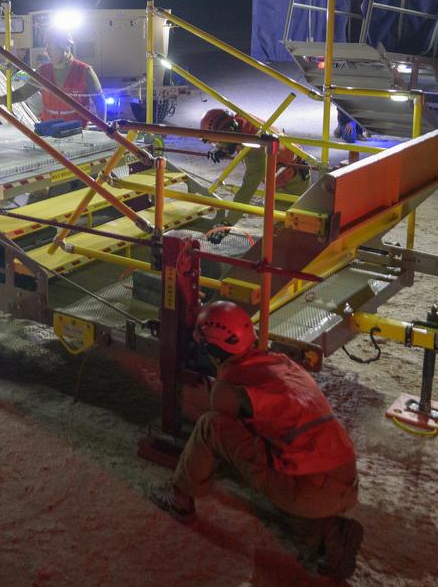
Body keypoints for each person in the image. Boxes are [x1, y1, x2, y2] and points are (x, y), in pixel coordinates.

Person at [148, 301, 363, 580]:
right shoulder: (281, 362)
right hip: (346, 476)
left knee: (210, 427)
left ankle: (179, 497)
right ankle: (331, 535)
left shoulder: (228, 392)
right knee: (288, 493)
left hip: (309, 489)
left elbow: (228, 428)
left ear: (211, 349)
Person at [199, 108, 310, 243]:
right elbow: (237, 141)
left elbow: (246, 191)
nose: (217, 145)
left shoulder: (255, 150)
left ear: (228, 132)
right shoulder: (243, 122)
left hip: (291, 182)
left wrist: (227, 223)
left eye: (217, 141)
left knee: (278, 234)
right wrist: (223, 149)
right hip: (290, 169)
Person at [2, 26, 104, 123]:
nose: (47, 51)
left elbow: (100, 101)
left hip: (78, 135)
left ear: (64, 46)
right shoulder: (43, 71)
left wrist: (104, 129)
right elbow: (22, 94)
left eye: (50, 46)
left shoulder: (85, 71)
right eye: (46, 46)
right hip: (49, 135)